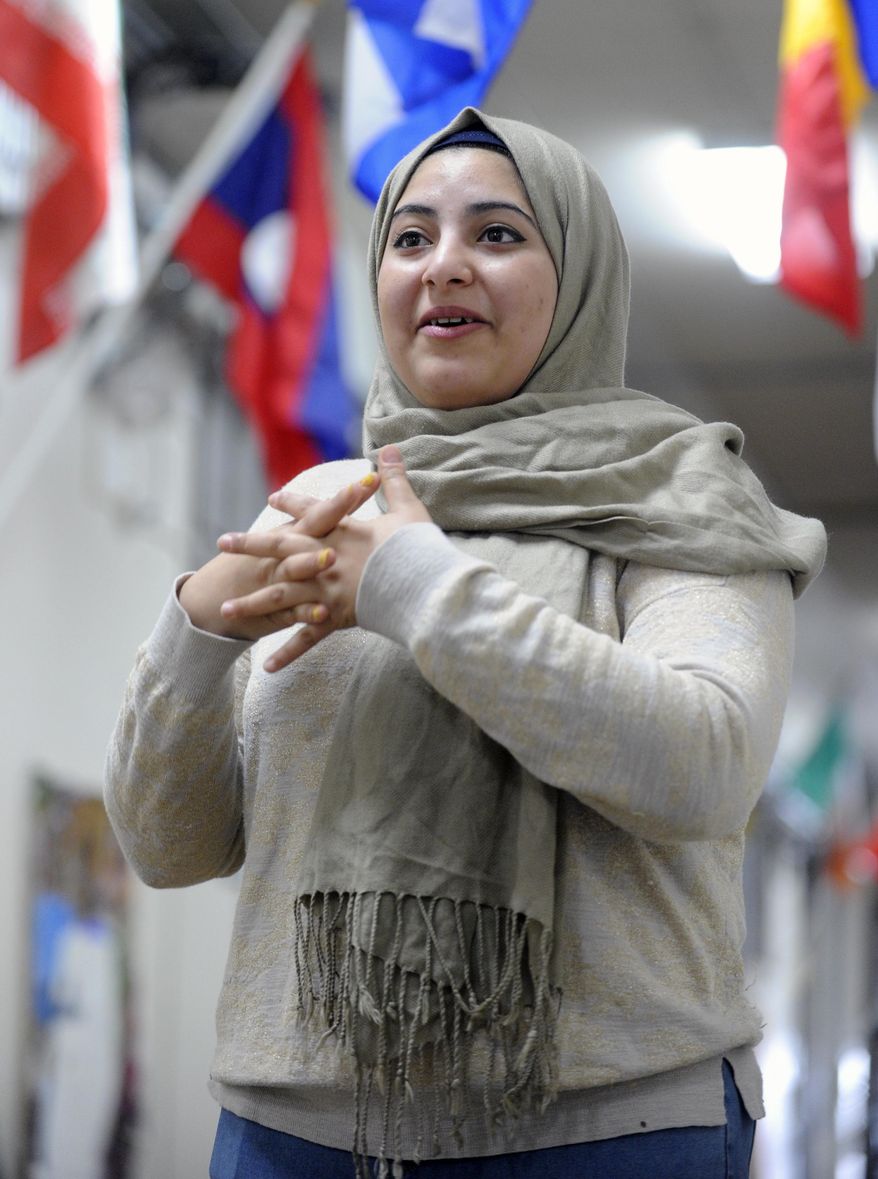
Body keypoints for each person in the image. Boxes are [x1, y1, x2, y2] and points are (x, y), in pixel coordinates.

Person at [105, 108, 826, 1179]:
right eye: (410, 238)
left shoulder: (681, 499)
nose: (443, 266)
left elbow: (700, 767)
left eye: (496, 234)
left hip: (607, 1134)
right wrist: (197, 630)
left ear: (577, 273)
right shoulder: (320, 505)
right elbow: (171, 848)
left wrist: (415, 585)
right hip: (292, 1131)